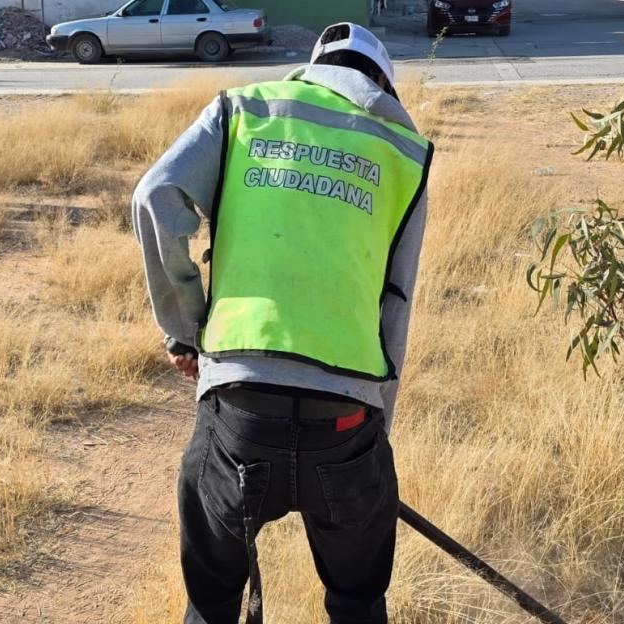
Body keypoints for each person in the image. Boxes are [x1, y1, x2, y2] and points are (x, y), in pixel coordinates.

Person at [133, 22, 433, 624]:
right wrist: (371, 433)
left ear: (316, 66)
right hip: (345, 421)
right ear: (380, 85)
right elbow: (394, 303)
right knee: (356, 601)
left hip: (238, 410)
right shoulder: (404, 152)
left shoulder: (242, 110)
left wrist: (190, 330)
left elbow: (154, 196)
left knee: (212, 603)